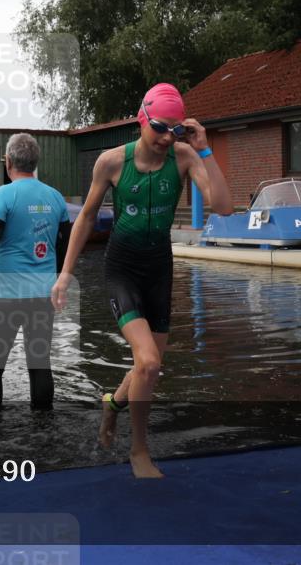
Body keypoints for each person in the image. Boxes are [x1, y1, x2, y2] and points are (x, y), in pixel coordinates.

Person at [51, 83, 233, 478]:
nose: (168, 137)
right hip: (122, 270)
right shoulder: (112, 162)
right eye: (160, 128)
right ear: (142, 120)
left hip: (158, 272)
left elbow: (223, 205)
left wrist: (204, 147)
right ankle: (138, 451)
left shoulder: (184, 157)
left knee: (147, 368)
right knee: (148, 363)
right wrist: (65, 273)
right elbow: (84, 218)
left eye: (175, 129)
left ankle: (111, 405)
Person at [0, 133, 71, 411]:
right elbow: (63, 250)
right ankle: (44, 428)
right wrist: (58, 285)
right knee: (40, 364)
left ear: (8, 161)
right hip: (43, 296)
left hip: (8, 298)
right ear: (35, 162)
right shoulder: (56, 198)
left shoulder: (3, 196)